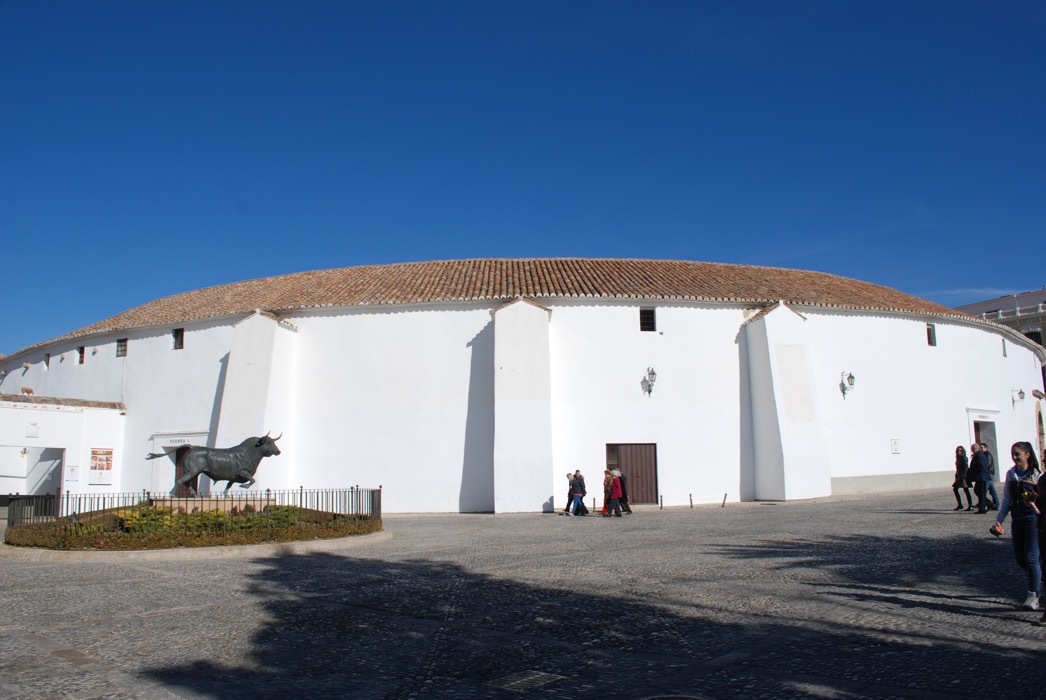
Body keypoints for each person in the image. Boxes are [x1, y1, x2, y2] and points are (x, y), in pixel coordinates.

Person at [990, 441, 1041, 610]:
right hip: (1017, 520)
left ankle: (1033, 596)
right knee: (1020, 559)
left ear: (1027, 455)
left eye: (1017, 454)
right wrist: (999, 520)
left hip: (1033, 519)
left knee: (1031, 558)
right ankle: (1040, 578)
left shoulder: (1036, 475)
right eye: (1012, 454)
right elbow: (1007, 500)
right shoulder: (1011, 474)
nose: (1014, 457)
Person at [970, 443, 992, 513]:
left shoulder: (979, 455)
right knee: (977, 490)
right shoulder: (978, 454)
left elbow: (981, 466)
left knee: (981, 492)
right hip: (980, 476)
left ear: (974, 449)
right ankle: (989, 503)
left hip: (981, 476)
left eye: (972, 449)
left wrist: (976, 472)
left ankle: (982, 508)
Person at [952, 445, 973, 511]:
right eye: (958, 450)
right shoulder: (958, 458)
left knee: (966, 490)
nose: (959, 452)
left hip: (963, 476)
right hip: (959, 476)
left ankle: (970, 505)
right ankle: (960, 504)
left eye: (960, 450)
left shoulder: (964, 458)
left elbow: (965, 468)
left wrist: (962, 476)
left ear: (963, 451)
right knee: (955, 489)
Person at [981, 442, 1000, 510]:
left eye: (982, 448)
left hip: (989, 474)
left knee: (984, 490)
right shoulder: (984, 454)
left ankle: (983, 503)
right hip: (989, 474)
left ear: (986, 448)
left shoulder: (987, 455)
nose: (981, 449)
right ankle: (996, 504)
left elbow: (988, 465)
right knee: (992, 490)